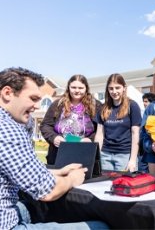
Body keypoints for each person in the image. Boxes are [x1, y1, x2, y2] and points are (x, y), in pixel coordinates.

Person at [0, 67, 108, 230]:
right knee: (100, 227)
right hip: (6, 223)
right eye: (33, 98)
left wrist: (59, 171)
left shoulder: (95, 105)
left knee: (39, 209)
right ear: (7, 93)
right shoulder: (9, 130)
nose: (37, 106)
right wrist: (72, 178)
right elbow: (48, 191)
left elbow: (19, 170)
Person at [40, 74, 101, 165]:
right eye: (73, 87)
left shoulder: (95, 105)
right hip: (58, 154)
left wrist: (90, 139)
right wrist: (54, 137)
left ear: (86, 89)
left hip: (84, 154)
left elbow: (101, 129)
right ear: (68, 87)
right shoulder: (58, 104)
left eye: (80, 88)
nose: (77, 90)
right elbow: (45, 125)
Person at [94, 73, 142, 172]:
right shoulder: (103, 108)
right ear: (107, 89)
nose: (114, 91)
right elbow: (99, 134)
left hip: (125, 155)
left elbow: (135, 133)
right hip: (105, 155)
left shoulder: (132, 106)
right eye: (111, 88)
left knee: (122, 186)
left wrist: (132, 160)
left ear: (124, 88)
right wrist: (95, 156)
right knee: (104, 185)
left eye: (117, 88)